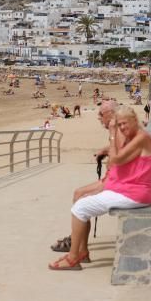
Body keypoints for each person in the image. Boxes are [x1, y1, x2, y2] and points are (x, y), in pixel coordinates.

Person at [49, 105, 151, 270]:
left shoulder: (141, 137)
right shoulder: (135, 137)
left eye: (124, 123)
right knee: (82, 203)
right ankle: (81, 252)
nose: (121, 127)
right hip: (128, 190)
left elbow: (116, 160)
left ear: (135, 120)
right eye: (119, 125)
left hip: (133, 193)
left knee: (79, 208)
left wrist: (113, 135)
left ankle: (73, 258)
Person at [49, 100, 121, 254]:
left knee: (81, 198)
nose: (98, 117)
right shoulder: (117, 130)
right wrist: (105, 150)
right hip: (112, 178)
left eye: (101, 114)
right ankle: (80, 244)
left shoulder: (118, 130)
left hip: (116, 181)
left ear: (112, 115)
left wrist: (110, 151)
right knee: (78, 194)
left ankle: (79, 247)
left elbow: (119, 154)